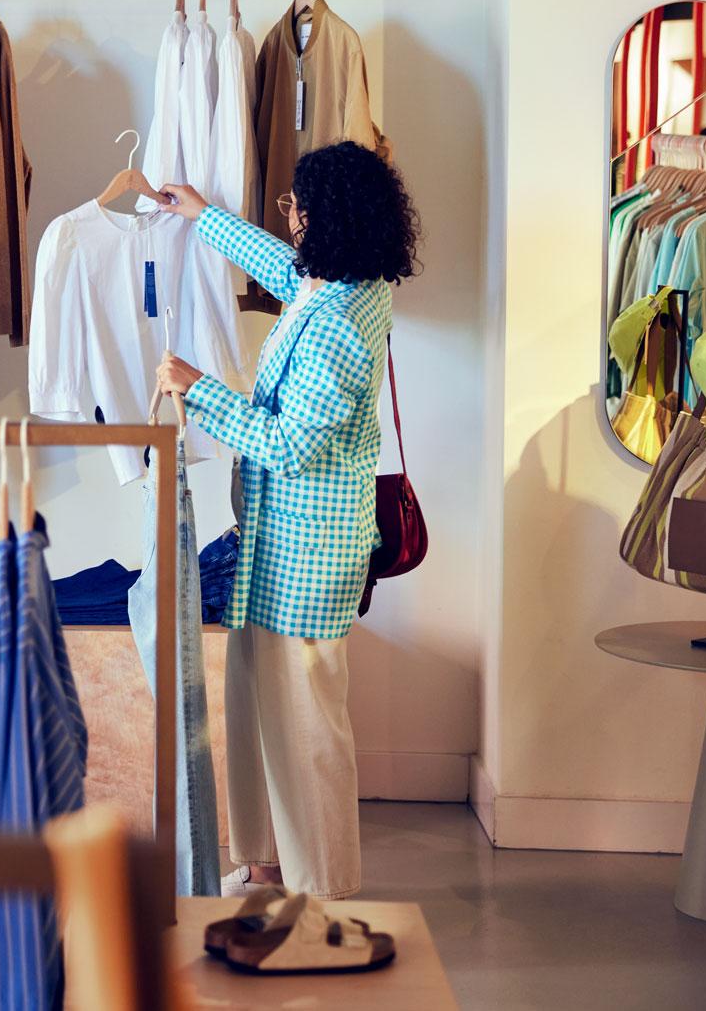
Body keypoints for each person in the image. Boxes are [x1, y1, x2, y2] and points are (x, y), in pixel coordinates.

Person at [153, 140, 420, 900]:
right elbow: (284, 272)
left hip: (309, 555)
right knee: (258, 708)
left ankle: (324, 886)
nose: (290, 217)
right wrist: (208, 219)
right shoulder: (344, 285)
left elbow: (288, 443)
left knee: (306, 730)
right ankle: (268, 863)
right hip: (275, 548)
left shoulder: (341, 323)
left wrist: (198, 387)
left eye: (295, 206)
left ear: (322, 219)